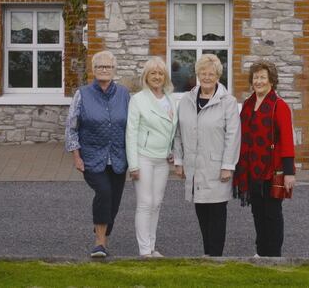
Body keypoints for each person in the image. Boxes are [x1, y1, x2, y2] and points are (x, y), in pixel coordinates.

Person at [173, 53, 240, 257]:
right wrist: (178, 161)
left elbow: (233, 135)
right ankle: (207, 254)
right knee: (201, 211)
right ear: (198, 74)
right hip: (194, 167)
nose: (207, 77)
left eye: (211, 73)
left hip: (217, 167)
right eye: (203, 73)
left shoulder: (228, 102)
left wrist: (228, 165)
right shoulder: (186, 100)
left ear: (218, 75)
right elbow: (178, 133)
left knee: (217, 214)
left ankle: (216, 257)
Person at [65, 50, 130, 258]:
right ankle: (99, 243)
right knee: (104, 192)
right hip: (91, 157)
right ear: (93, 70)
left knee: (115, 201)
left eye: (108, 67)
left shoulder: (124, 94)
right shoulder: (82, 94)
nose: (104, 69)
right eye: (100, 66)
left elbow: (132, 126)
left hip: (119, 158)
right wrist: (76, 155)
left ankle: (103, 234)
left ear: (114, 70)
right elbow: (71, 127)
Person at [233, 60, 296, 257]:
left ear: (271, 81)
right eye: (256, 77)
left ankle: (274, 255)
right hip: (252, 169)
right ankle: (261, 253)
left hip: (272, 170)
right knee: (258, 214)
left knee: (272, 215)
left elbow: (287, 140)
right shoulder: (248, 104)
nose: (258, 81)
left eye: (262, 77)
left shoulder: (280, 106)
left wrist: (289, 173)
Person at [125, 56, 178, 258]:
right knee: (145, 203)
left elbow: (173, 130)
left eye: (160, 73)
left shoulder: (171, 99)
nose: (157, 77)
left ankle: (152, 246)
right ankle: (144, 250)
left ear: (165, 77)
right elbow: (131, 132)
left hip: (163, 159)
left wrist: (173, 151)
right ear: (146, 77)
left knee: (157, 203)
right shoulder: (138, 100)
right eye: (153, 73)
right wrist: (134, 165)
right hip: (143, 157)